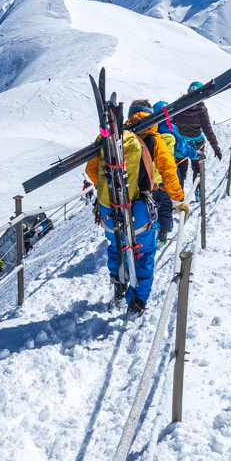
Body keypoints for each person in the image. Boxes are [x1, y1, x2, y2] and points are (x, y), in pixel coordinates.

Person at [86, 112, 164, 314]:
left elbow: (91, 169)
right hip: (138, 211)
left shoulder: (107, 138)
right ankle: (138, 299)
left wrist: (107, 192)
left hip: (108, 211)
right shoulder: (153, 140)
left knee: (115, 246)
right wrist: (179, 199)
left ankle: (119, 283)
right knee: (145, 253)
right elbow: (166, 170)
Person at [129, 100, 185, 240]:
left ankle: (151, 230)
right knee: (166, 207)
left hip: (149, 181)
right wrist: (179, 200)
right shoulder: (168, 133)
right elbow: (171, 165)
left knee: (153, 207)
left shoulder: (133, 134)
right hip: (166, 182)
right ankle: (163, 233)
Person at [169, 83, 223, 185]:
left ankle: (178, 196)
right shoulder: (201, 109)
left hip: (181, 144)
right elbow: (207, 129)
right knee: (198, 168)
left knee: (180, 169)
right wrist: (216, 148)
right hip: (197, 143)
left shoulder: (178, 105)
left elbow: (171, 124)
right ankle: (199, 193)